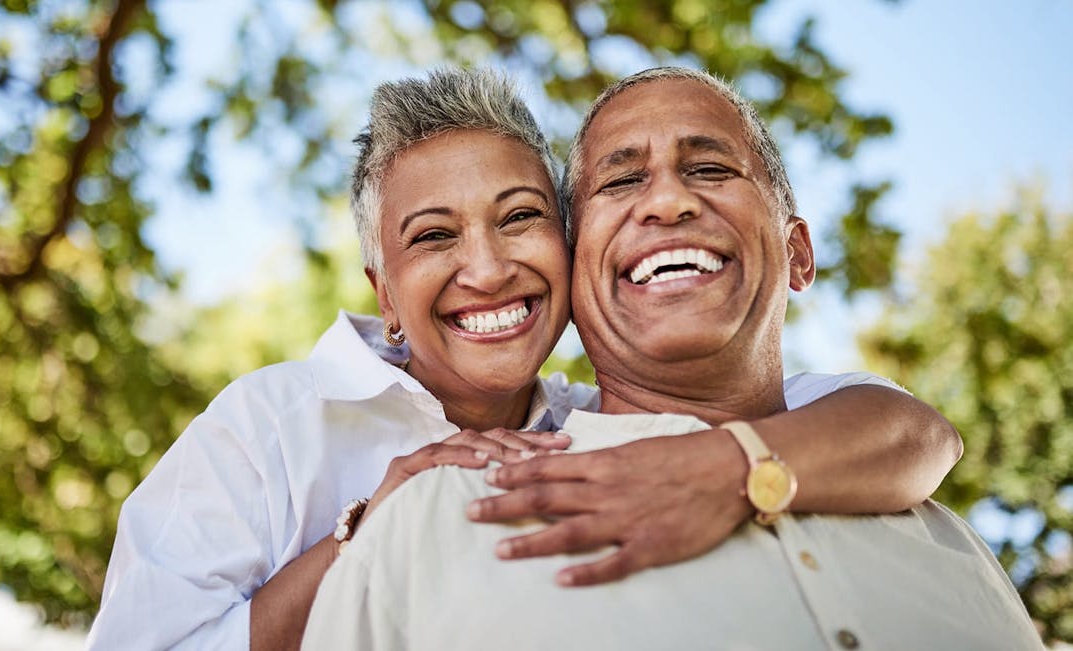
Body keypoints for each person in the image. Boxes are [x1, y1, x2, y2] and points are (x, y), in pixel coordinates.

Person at [87, 68, 960, 651]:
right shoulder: (273, 422)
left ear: (574, 252)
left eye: (520, 218)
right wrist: (364, 531)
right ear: (383, 291)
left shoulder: (598, 416)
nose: (489, 267)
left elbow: (906, 429)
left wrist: (731, 468)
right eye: (434, 236)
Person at [301, 67, 1043, 650]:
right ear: (572, 257)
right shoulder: (433, 519)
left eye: (711, 168)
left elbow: (919, 427)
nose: (666, 202)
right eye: (621, 180)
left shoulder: (943, 532)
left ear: (798, 252)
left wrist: (736, 466)